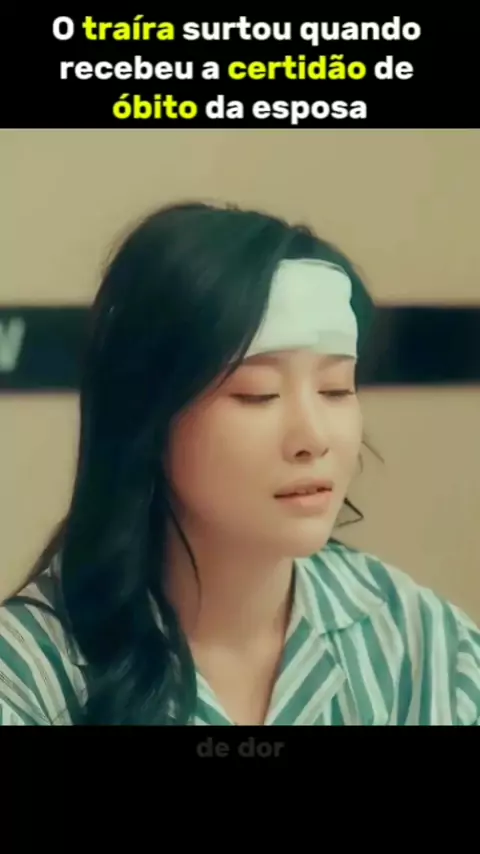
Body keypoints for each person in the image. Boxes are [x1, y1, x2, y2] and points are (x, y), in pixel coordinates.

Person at [0, 201, 479, 727]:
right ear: (149, 416)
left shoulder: (422, 646)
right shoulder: (28, 675)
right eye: (258, 393)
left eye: (336, 389)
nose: (313, 438)